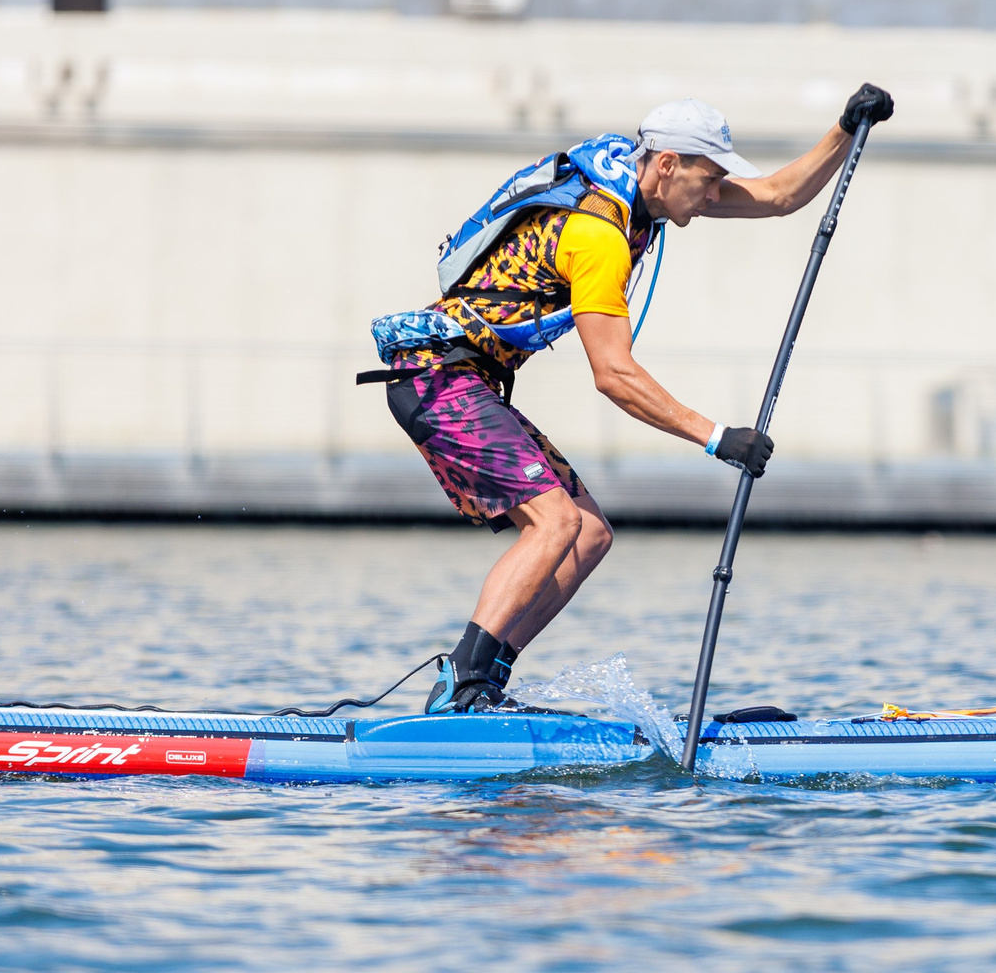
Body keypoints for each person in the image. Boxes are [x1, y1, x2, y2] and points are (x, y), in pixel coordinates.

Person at [370, 86, 897, 713]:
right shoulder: (598, 235)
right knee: (556, 523)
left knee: (588, 534)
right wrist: (717, 436)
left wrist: (844, 126)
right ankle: (458, 687)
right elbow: (613, 373)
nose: (711, 198)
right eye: (707, 182)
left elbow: (780, 196)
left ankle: (486, 683)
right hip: (438, 379)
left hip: (465, 381)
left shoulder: (642, 186)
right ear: (669, 163)